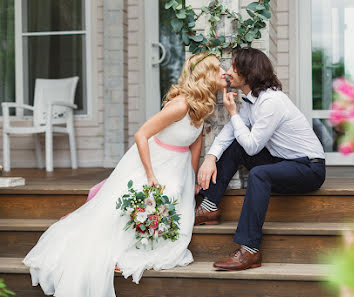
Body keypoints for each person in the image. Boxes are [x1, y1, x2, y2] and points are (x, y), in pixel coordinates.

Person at [23, 52, 227, 297]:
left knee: (175, 202)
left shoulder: (203, 105)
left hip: (178, 165)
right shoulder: (181, 105)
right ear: (204, 76)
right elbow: (141, 134)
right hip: (154, 161)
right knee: (144, 201)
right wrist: (151, 175)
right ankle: (123, 248)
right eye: (217, 69)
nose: (223, 72)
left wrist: (193, 180)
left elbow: (195, 145)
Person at [196, 47, 326, 271]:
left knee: (258, 172)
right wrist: (210, 157)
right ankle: (209, 206)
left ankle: (250, 250)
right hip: (283, 161)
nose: (228, 72)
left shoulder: (272, 102)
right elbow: (230, 133)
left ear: (248, 73)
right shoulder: (253, 100)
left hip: (309, 168)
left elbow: (253, 147)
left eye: (233, 68)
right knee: (236, 143)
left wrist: (233, 112)